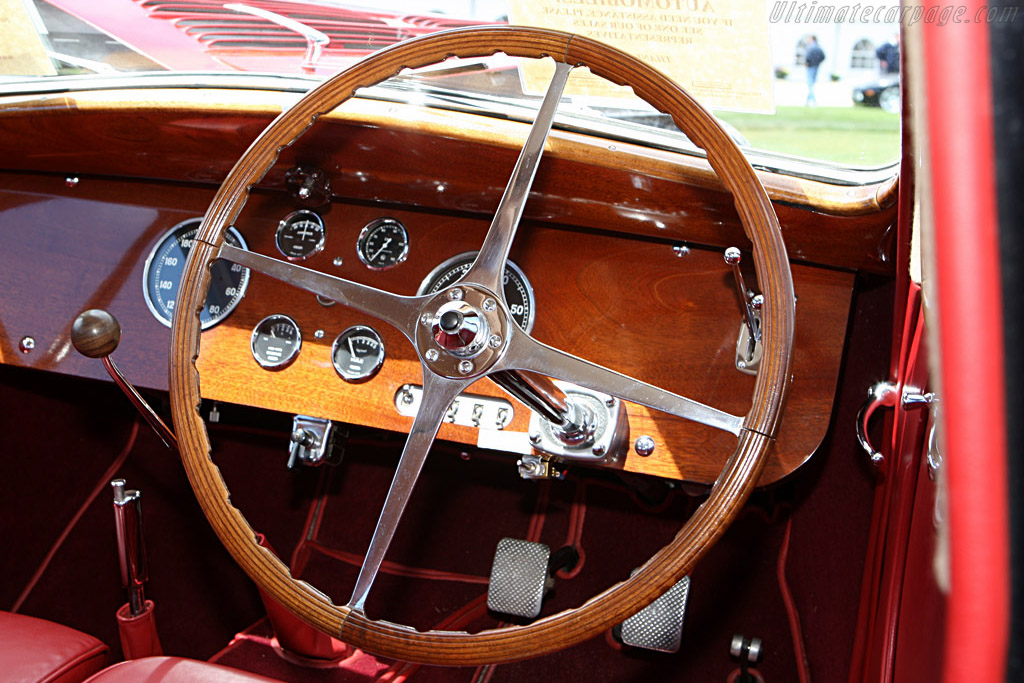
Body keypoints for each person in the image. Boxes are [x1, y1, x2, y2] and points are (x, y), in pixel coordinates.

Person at [804, 35, 825, 107]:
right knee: (811, 84)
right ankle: (807, 102)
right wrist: (818, 63)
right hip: (816, 67)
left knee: (810, 85)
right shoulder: (818, 47)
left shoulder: (810, 47)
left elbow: (808, 56)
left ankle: (813, 101)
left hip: (810, 67)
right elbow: (823, 56)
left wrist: (807, 63)